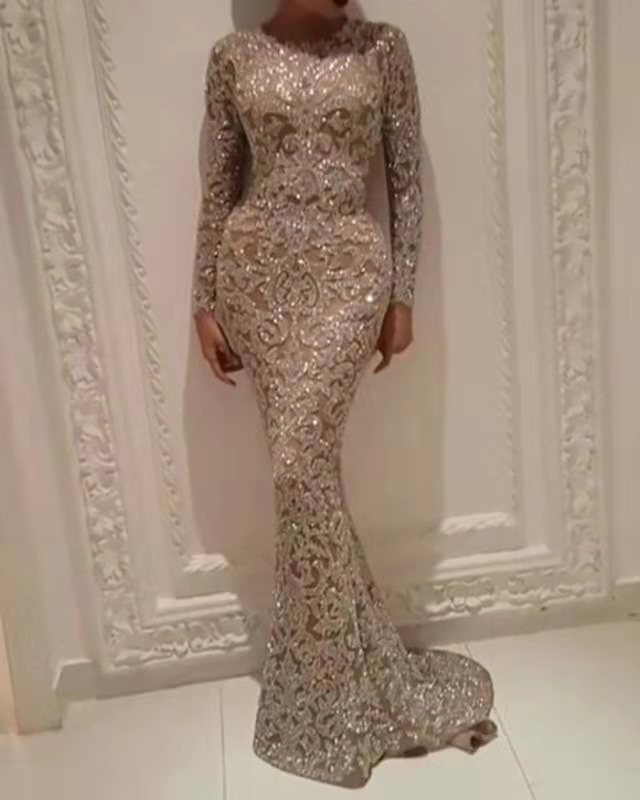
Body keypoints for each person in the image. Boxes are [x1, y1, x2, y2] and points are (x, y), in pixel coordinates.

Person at [192, 0, 497, 787]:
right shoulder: (233, 58)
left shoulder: (382, 48)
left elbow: (404, 181)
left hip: (348, 277)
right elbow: (218, 185)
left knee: (299, 469)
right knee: (307, 480)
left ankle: (340, 686)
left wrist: (403, 297)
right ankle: (339, 682)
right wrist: (203, 301)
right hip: (256, 276)